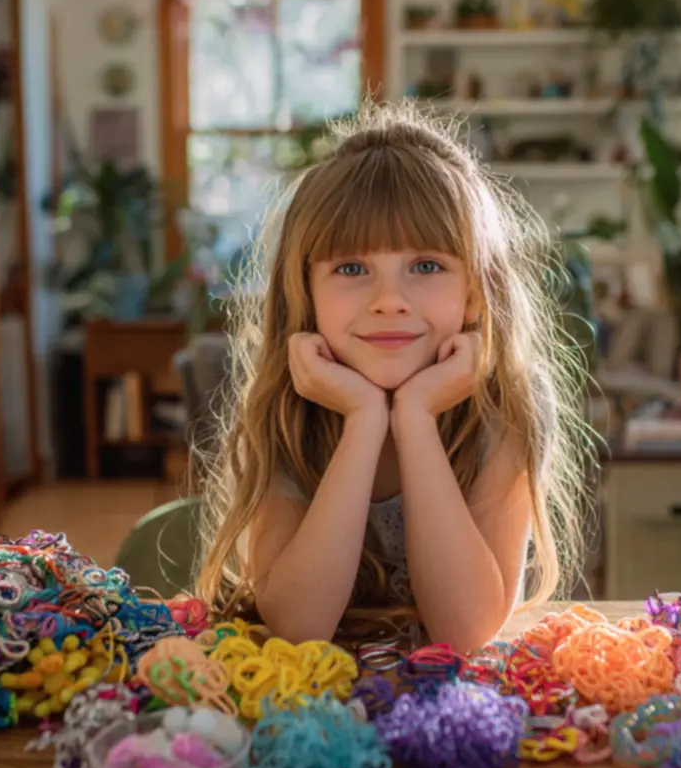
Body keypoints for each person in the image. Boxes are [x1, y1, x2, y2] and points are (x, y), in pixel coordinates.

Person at [194, 102, 596, 653]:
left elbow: (464, 631)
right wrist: (362, 421)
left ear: (475, 292)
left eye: (426, 266)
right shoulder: (286, 405)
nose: (389, 302)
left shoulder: (509, 406)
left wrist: (415, 419)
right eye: (352, 269)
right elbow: (297, 625)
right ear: (304, 292)